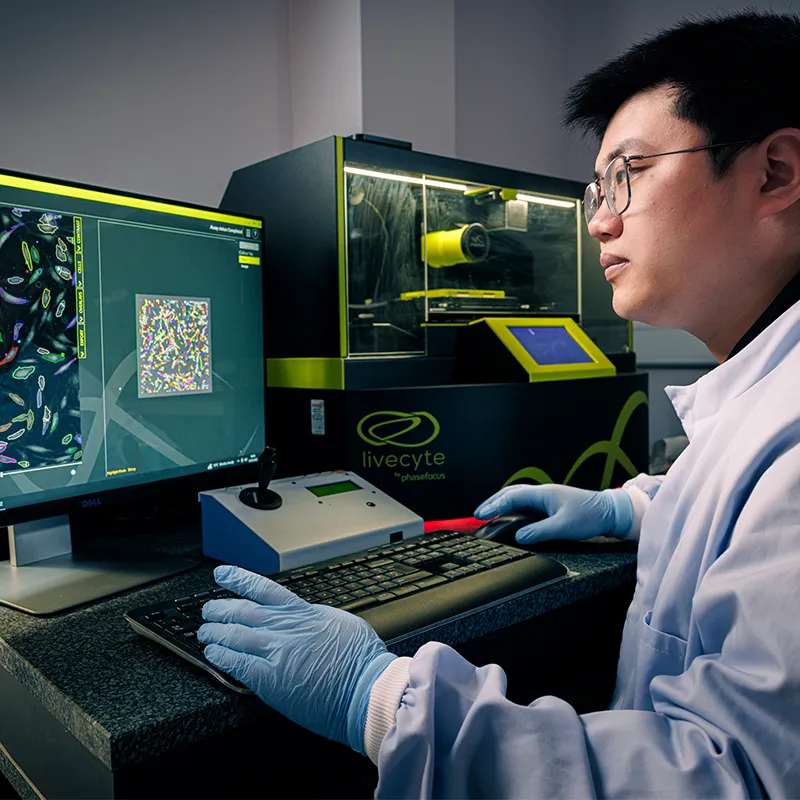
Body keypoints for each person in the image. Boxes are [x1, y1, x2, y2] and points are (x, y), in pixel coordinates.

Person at [198, 10, 800, 797]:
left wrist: (382, 701)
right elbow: (748, 517)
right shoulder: (765, 398)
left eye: (629, 173)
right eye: (594, 190)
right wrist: (633, 509)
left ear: (776, 172)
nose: (598, 221)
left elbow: (735, 779)